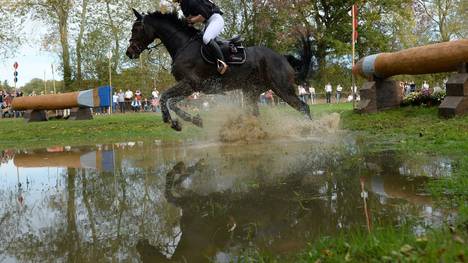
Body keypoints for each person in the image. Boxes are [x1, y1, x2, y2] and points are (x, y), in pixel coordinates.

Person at [173, 0, 228, 74]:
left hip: (215, 19)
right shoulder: (184, 5)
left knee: (206, 38)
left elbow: (203, 17)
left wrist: (190, 21)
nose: (178, 2)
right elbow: (190, 21)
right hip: (208, 23)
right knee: (197, 40)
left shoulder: (192, 1)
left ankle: (222, 63)